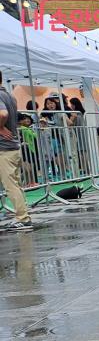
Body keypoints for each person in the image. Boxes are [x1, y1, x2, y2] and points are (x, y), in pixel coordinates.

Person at [0, 71, 33, 231]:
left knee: (10, 185)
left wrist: (0, 127)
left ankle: (23, 218)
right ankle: (23, 215)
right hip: (12, 147)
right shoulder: (10, 96)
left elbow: (3, 114)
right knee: (16, 184)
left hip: (4, 149)